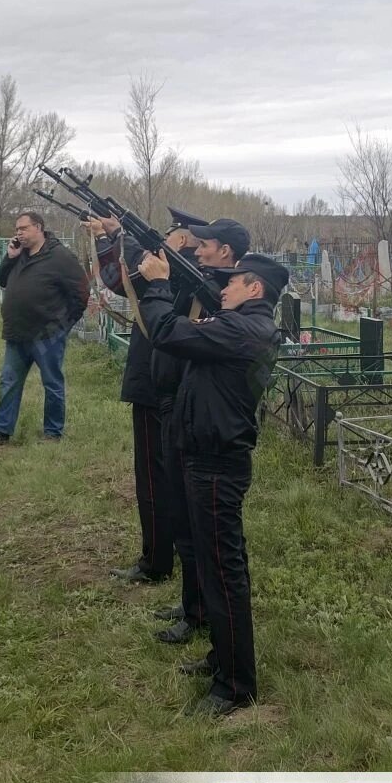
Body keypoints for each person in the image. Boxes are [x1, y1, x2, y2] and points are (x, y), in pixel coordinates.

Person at [137, 250, 289, 717]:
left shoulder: (242, 330)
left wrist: (158, 285)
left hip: (217, 466)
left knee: (224, 573)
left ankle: (236, 685)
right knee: (212, 565)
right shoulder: (238, 326)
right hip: (205, 458)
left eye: (232, 282)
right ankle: (222, 657)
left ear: (255, 288)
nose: (223, 289)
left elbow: (166, 331)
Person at [83, 207, 209, 585]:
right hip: (179, 384)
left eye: (167, 237)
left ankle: (156, 560)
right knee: (173, 474)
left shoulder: (175, 272)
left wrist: (118, 233)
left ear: (181, 239)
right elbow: (123, 280)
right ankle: (177, 549)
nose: (162, 243)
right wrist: (111, 235)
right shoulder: (197, 273)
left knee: (153, 476)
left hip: (156, 381)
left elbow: (120, 278)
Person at [153, 216, 252, 645]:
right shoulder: (206, 285)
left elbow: (176, 332)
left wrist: (161, 285)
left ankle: (204, 612)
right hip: (185, 411)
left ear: (225, 251)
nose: (197, 249)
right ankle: (195, 603)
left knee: (204, 531)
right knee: (183, 517)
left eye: (205, 244)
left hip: (206, 426)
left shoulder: (230, 302)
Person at [0, 211, 89, 445]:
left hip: (47, 335)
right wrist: (10, 257)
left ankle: (53, 433)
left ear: (39, 228)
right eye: (17, 229)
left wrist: (63, 326)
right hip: (17, 332)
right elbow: (1, 279)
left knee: (52, 383)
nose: (19, 233)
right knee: (9, 382)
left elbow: (82, 292)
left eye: (23, 228)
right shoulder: (18, 254)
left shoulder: (60, 256)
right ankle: (1, 431)